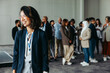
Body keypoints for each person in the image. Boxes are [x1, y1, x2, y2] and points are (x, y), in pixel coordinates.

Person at [12, 6, 49, 73]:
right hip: (21, 69)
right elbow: (15, 53)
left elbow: (44, 55)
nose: (22, 19)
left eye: (24, 16)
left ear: (32, 16)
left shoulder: (41, 34)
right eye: (21, 16)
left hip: (36, 69)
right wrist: (14, 69)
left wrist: (45, 70)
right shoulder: (19, 34)